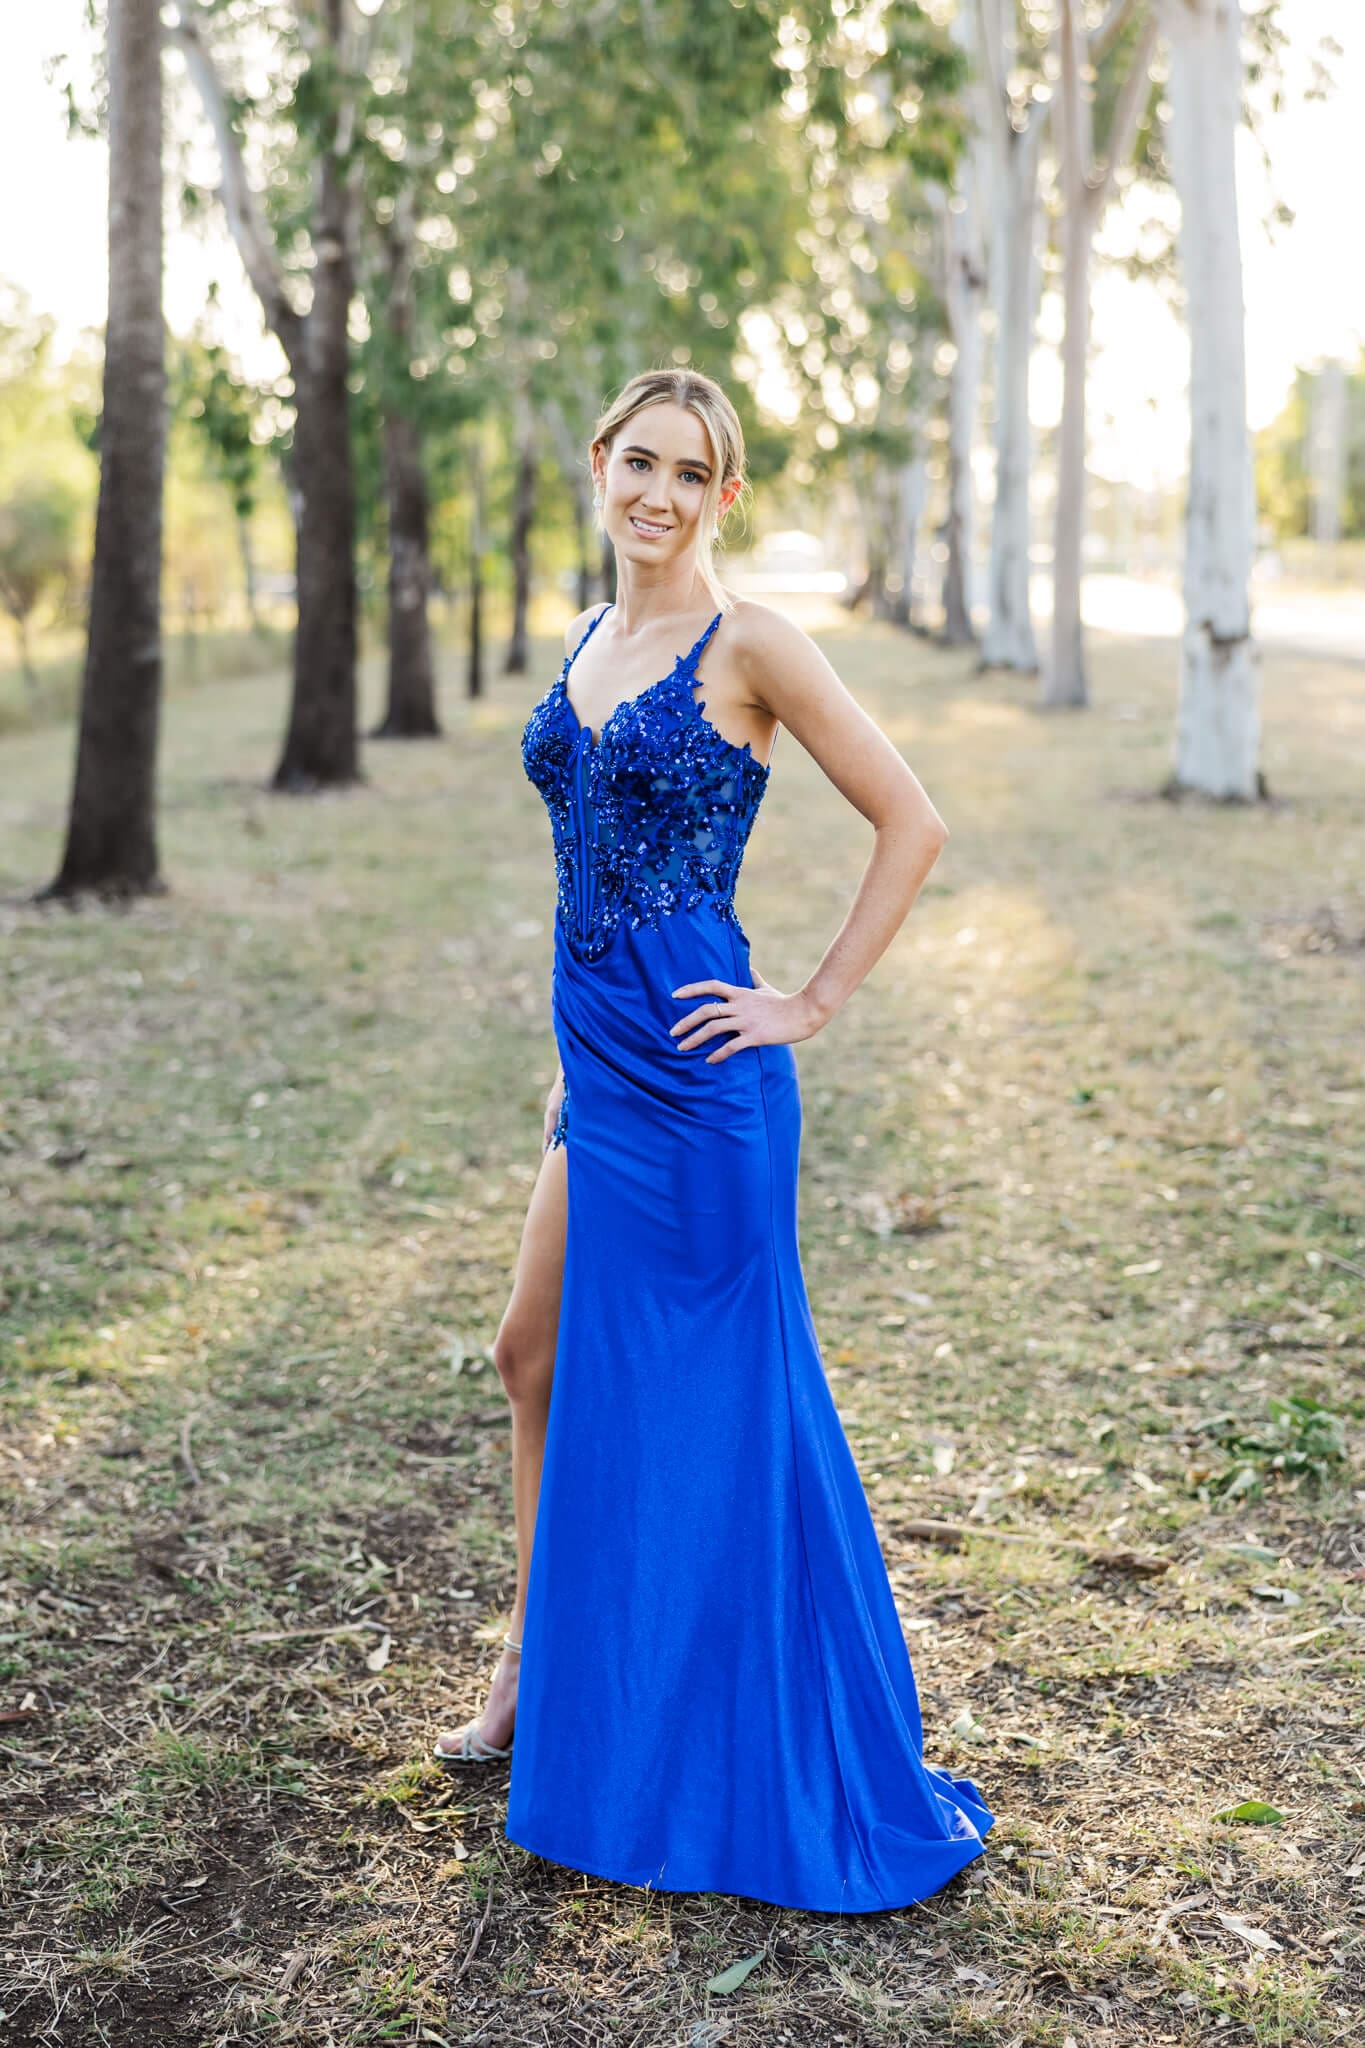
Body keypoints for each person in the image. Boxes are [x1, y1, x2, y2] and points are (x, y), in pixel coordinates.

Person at [431, 367, 994, 1912]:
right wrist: (566, 1063)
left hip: (702, 1081)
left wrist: (807, 998)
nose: (658, 494)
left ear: (721, 494)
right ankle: (545, 1660)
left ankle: (706, 1729)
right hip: (597, 1078)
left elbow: (912, 820)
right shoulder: (591, 640)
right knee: (529, 1352)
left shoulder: (751, 644)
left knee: (726, 1412)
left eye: (690, 473)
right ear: (596, 464)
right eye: (636, 463)